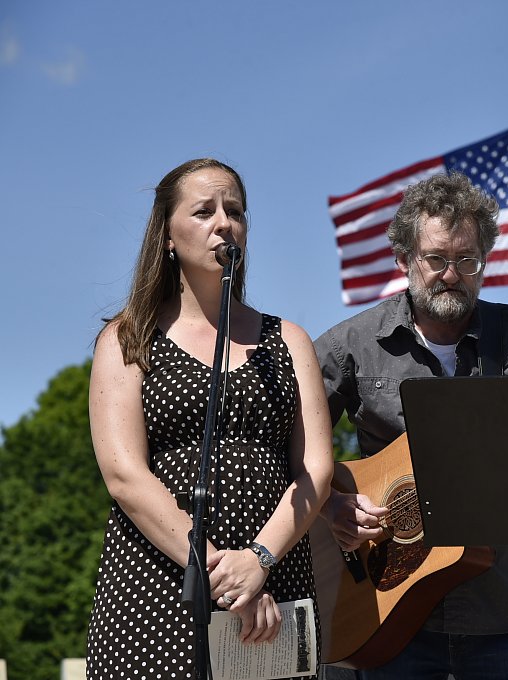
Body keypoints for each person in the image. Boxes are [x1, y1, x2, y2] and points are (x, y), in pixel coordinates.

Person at [314, 171, 508, 680]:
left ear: (485, 262)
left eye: (467, 260)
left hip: (507, 616)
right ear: (403, 259)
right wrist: (330, 505)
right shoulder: (351, 345)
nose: (452, 274)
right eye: (435, 259)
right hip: (383, 616)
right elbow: (285, 446)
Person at [87, 158, 334, 678]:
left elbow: (316, 469)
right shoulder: (128, 338)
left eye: (235, 211)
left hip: (274, 583)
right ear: (166, 235)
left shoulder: (289, 341)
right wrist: (220, 571)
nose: (224, 222)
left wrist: (258, 560)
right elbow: (124, 475)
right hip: (159, 585)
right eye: (204, 211)